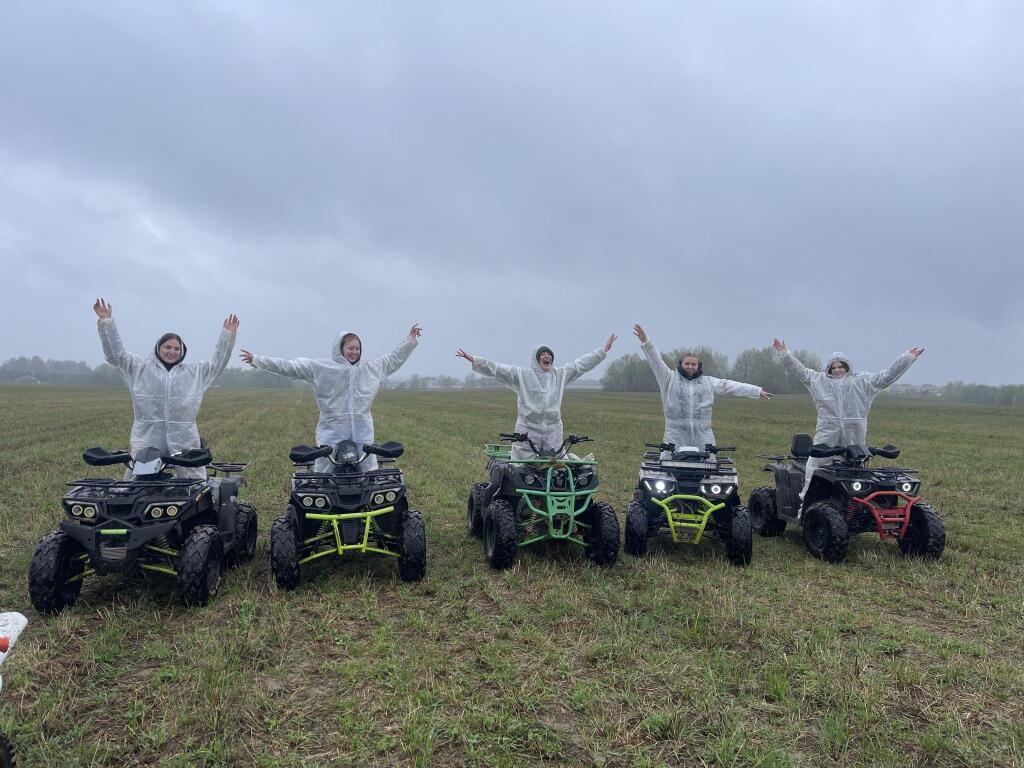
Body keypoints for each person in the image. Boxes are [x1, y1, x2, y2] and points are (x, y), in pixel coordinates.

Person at [240, 325, 421, 471]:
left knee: (367, 469)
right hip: (332, 428)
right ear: (340, 348)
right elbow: (290, 367)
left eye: (357, 348)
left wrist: (410, 341)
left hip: (362, 428)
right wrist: (258, 360)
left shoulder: (370, 368)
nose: (354, 352)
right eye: (351, 348)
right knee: (326, 469)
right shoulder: (322, 368)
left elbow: (392, 359)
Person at [93, 298, 238, 479]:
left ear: (182, 351)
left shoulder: (194, 373)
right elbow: (115, 353)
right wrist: (107, 322)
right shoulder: (139, 368)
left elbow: (218, 363)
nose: (172, 351)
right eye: (167, 347)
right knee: (138, 481)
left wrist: (227, 336)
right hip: (147, 436)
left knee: (194, 483)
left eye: (176, 348)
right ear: (158, 348)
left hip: (184, 437)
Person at [772, 338, 925, 504]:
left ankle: (854, 505)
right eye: (834, 367)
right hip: (827, 431)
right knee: (815, 466)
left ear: (847, 367)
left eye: (841, 366)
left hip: (855, 431)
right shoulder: (818, 380)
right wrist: (784, 354)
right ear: (829, 369)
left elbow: (888, 376)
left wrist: (907, 358)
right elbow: (799, 369)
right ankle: (807, 503)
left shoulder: (862, 381)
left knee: (855, 468)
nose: (838, 370)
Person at [456, 336, 617, 461]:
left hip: (553, 430)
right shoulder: (523, 375)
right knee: (522, 469)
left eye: (549, 355)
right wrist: (474, 359)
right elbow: (497, 369)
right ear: (537, 358)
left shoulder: (559, 375)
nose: (547, 357)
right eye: (543, 354)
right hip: (527, 430)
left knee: (557, 466)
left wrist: (602, 351)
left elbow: (580, 365)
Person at [634, 324, 771, 458]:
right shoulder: (668, 379)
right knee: (667, 465)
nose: (690, 367)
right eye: (687, 363)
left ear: (698, 366)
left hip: (703, 435)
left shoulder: (708, 382)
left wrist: (756, 391)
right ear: (681, 364)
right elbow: (656, 361)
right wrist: (646, 342)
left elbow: (731, 386)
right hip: (675, 434)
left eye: (694, 364)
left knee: (709, 467)